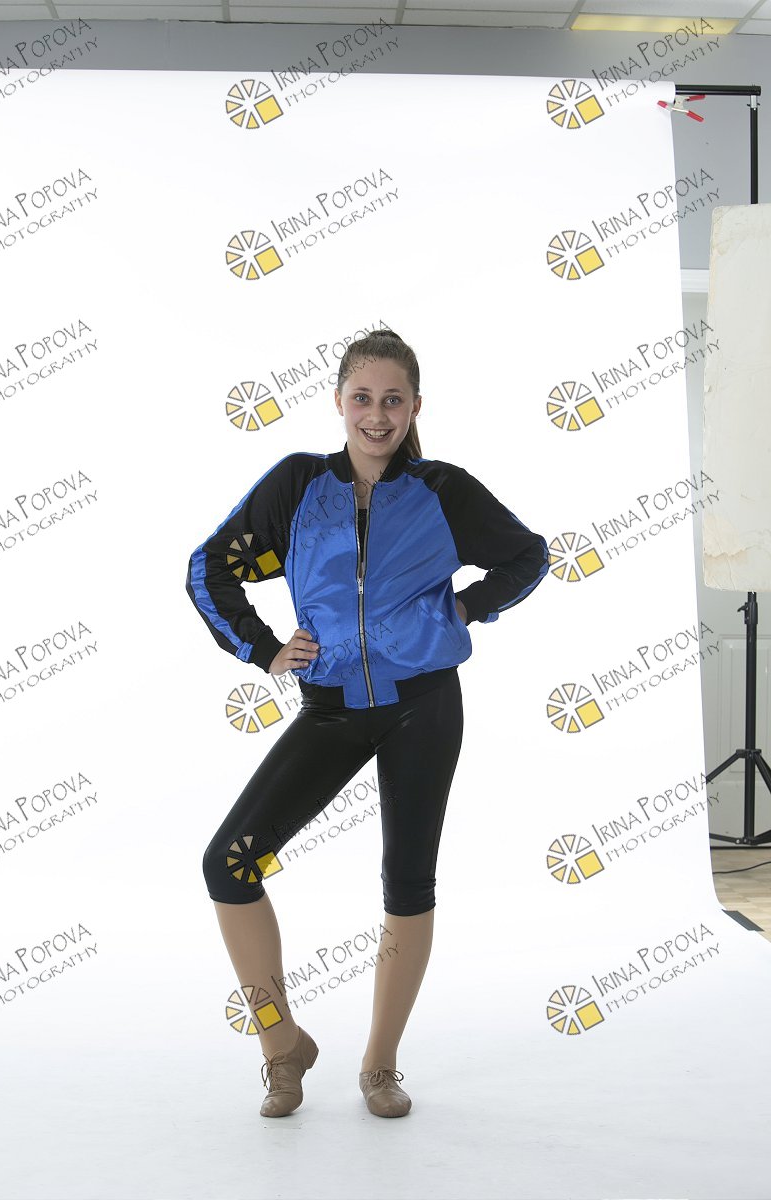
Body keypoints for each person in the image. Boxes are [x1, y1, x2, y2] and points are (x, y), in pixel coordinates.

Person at [186, 329, 549, 1119]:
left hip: (424, 704)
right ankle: (282, 1046)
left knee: (407, 882)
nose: (376, 416)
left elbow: (528, 557)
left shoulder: (444, 491)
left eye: (392, 400)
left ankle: (380, 1065)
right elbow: (208, 568)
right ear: (339, 402)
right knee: (229, 865)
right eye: (362, 398)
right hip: (332, 709)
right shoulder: (297, 486)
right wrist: (262, 648)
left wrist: (463, 608)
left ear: (415, 406)